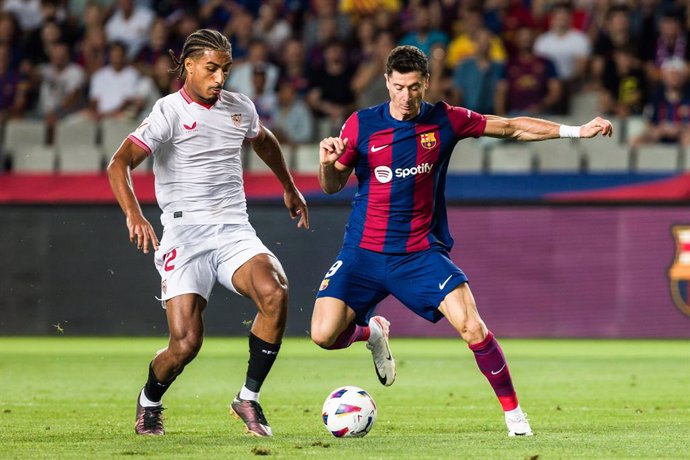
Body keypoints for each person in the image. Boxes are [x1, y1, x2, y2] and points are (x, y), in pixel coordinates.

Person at [311, 45, 612, 437]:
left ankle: (514, 416)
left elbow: (510, 126)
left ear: (427, 83)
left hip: (418, 253)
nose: (406, 97)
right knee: (323, 335)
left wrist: (576, 130)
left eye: (414, 87)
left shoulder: (445, 120)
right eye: (399, 87)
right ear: (386, 82)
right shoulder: (360, 125)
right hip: (362, 252)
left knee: (472, 326)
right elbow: (331, 185)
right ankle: (373, 332)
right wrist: (325, 162)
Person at [107, 29, 309, 438]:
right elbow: (119, 163)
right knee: (185, 345)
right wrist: (135, 214)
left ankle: (248, 398)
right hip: (185, 232)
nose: (220, 78)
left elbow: (264, 141)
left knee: (276, 290)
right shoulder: (168, 111)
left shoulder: (239, 107)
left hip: (234, 226)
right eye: (212, 69)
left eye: (226, 69)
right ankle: (150, 400)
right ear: (189, 66)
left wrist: (289, 186)